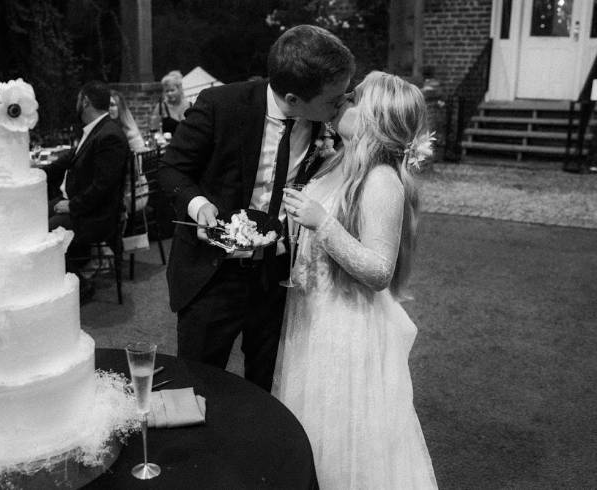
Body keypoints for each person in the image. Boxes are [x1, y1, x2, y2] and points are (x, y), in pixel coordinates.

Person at [156, 25, 355, 391]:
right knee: (198, 383)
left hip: (276, 277)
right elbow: (172, 168)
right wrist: (197, 204)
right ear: (294, 99)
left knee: (266, 385)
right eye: (336, 98)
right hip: (212, 276)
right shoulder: (221, 106)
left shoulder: (324, 122)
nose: (343, 104)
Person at [273, 71, 438, 488]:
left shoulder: (381, 180)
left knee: (341, 434)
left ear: (376, 120)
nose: (344, 99)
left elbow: (379, 270)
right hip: (312, 313)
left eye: (356, 98)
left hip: (345, 326)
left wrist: (321, 223)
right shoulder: (336, 162)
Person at [45, 81, 130, 302]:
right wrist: (36, 172)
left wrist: (72, 205)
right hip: (79, 204)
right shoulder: (96, 129)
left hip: (97, 216)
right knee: (31, 219)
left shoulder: (109, 135)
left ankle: (81, 286)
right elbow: (70, 158)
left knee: (43, 234)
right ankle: (55, 281)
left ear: (85, 102)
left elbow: (103, 187)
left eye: (78, 100)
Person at [152, 70, 191, 135]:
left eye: (172, 90)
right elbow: (154, 129)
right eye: (167, 91)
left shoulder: (190, 106)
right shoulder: (161, 107)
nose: (169, 94)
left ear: (179, 89)